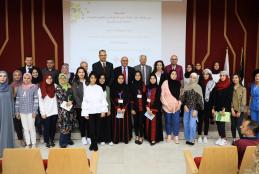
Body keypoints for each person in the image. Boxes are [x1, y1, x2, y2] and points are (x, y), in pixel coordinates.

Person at [81, 72, 108, 151]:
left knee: (97, 128)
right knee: (92, 129)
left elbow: (103, 100)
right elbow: (85, 101)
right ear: (89, 78)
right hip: (90, 112)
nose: (93, 79)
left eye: (94, 78)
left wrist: (103, 111)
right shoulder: (86, 88)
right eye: (91, 77)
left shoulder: (99, 88)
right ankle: (93, 143)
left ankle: (94, 143)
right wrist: (85, 113)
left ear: (96, 79)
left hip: (99, 111)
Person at [15, 73, 38, 148]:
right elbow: (17, 100)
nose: (26, 80)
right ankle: (28, 143)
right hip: (22, 111)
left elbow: (36, 100)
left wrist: (35, 111)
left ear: (31, 79)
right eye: (25, 78)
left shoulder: (34, 87)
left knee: (31, 127)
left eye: (28, 78)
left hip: (31, 111)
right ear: (23, 79)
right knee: (25, 128)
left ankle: (34, 143)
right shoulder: (19, 88)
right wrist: (17, 111)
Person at [181, 72, 204, 145]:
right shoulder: (186, 86)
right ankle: (188, 138)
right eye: (191, 77)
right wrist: (184, 105)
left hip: (194, 109)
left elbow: (200, 100)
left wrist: (196, 110)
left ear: (196, 79)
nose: (192, 78)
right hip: (186, 108)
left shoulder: (198, 87)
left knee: (192, 124)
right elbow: (182, 98)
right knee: (186, 123)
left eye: (194, 77)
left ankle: (192, 139)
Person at [212, 70, 233, 146]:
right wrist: (213, 107)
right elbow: (214, 96)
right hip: (217, 107)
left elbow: (229, 98)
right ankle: (221, 137)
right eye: (220, 75)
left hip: (225, 107)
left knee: (222, 123)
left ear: (226, 76)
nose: (222, 77)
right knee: (218, 123)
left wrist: (224, 108)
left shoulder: (229, 85)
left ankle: (224, 139)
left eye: (223, 75)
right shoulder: (217, 84)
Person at [161, 70, 182, 144]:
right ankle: (169, 135)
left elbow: (181, 95)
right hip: (167, 107)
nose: (174, 75)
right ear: (169, 74)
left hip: (176, 107)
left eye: (175, 74)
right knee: (168, 121)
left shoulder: (178, 83)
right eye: (172, 74)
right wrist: (166, 105)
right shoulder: (165, 83)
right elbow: (162, 95)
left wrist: (179, 104)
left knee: (176, 121)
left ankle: (176, 136)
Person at [56, 73, 76, 148]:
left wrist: (71, 101)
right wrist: (68, 104)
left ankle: (68, 139)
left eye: (64, 78)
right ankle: (62, 142)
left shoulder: (69, 86)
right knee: (64, 125)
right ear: (58, 79)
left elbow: (72, 97)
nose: (62, 79)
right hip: (62, 110)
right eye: (61, 78)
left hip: (71, 109)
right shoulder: (58, 88)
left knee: (70, 124)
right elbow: (59, 100)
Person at [38, 74, 58, 148]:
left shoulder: (55, 86)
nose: (49, 80)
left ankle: (52, 140)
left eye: (51, 78)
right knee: (46, 128)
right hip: (46, 112)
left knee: (53, 127)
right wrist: (42, 112)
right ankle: (47, 141)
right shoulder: (40, 88)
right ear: (45, 79)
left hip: (54, 111)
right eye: (48, 78)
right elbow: (40, 102)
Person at [72, 67, 91, 145]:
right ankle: (83, 137)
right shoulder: (74, 83)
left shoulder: (88, 82)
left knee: (89, 123)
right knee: (81, 122)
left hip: (89, 106)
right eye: (79, 72)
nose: (81, 73)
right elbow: (75, 96)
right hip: (79, 107)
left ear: (85, 73)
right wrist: (82, 107)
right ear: (77, 73)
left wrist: (89, 105)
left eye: (83, 72)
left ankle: (89, 137)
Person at [111, 74, 131, 144]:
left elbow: (128, 98)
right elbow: (112, 98)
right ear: (117, 79)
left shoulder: (126, 87)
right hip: (116, 109)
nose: (121, 80)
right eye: (119, 78)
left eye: (122, 78)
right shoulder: (113, 87)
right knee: (117, 123)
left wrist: (124, 108)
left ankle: (125, 138)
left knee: (125, 123)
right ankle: (116, 139)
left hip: (124, 109)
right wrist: (117, 107)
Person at [197, 69, 215, 144]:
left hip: (209, 104)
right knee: (200, 120)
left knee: (206, 120)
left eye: (207, 74)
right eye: (204, 74)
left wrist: (213, 107)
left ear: (210, 75)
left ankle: (205, 136)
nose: (205, 76)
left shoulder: (213, 83)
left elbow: (214, 96)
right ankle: (199, 136)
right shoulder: (199, 82)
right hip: (200, 103)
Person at [0, 71, 15, 157]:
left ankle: (7, 150)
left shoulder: (9, 88)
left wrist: (13, 112)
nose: (2, 78)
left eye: (4, 76)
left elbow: (12, 101)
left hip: (7, 112)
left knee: (7, 130)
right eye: (0, 76)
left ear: (7, 78)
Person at [145, 74, 163, 145]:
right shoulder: (147, 87)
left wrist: (152, 109)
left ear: (156, 79)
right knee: (148, 123)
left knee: (154, 124)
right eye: (151, 78)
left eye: (154, 78)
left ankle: (154, 139)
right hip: (147, 108)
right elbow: (144, 98)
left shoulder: (158, 87)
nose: (152, 80)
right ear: (149, 79)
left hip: (155, 109)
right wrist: (147, 107)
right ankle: (148, 137)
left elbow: (158, 99)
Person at [130, 71, 146, 145]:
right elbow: (131, 98)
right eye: (136, 75)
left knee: (140, 122)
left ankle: (141, 136)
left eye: (139, 75)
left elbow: (145, 96)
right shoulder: (132, 85)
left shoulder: (143, 85)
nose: (137, 76)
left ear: (141, 76)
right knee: (136, 122)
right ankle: (137, 135)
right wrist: (132, 108)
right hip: (135, 108)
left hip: (142, 107)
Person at [97, 74, 113, 146]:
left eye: (103, 78)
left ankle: (109, 139)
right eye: (100, 78)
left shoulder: (107, 88)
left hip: (106, 109)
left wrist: (109, 109)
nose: (102, 80)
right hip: (99, 110)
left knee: (108, 125)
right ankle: (102, 139)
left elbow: (108, 100)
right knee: (101, 125)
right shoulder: (96, 88)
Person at [10, 70, 24, 146]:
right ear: (13, 76)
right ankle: (21, 139)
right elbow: (11, 98)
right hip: (15, 106)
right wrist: (15, 92)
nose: (17, 76)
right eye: (15, 75)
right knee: (17, 123)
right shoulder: (11, 85)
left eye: (19, 75)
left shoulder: (24, 83)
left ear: (21, 76)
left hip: (24, 106)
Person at [231, 73, 247, 142]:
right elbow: (229, 100)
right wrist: (232, 109)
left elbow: (243, 101)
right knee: (233, 125)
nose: (234, 79)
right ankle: (234, 139)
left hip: (240, 110)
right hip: (232, 109)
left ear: (239, 79)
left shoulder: (243, 89)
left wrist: (240, 111)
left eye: (236, 78)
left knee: (238, 126)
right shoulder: (230, 88)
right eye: (233, 78)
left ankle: (242, 139)